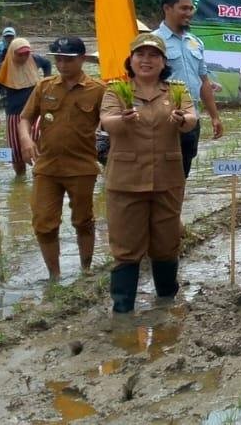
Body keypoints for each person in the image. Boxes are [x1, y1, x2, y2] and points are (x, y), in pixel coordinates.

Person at [100, 34, 198, 313]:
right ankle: (123, 309)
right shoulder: (117, 91)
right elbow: (106, 122)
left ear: (163, 62)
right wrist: (123, 119)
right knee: (126, 247)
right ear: (130, 60)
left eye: (153, 55)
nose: (146, 60)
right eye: (140, 55)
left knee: (166, 243)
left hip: (167, 178)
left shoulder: (176, 91)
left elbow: (191, 118)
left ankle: (167, 301)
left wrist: (183, 120)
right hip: (126, 181)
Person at [17, 36, 106, 280]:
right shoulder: (44, 87)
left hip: (82, 167)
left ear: (82, 59)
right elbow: (25, 118)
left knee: (83, 221)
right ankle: (54, 276)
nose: (63, 65)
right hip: (47, 167)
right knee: (43, 223)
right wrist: (26, 139)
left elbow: (110, 123)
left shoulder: (98, 90)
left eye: (68, 59)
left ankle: (86, 271)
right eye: (58, 59)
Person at [154, 0, 224, 178]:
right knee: (160, 174)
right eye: (184, 8)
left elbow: (203, 82)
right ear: (167, 9)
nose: (189, 13)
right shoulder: (152, 42)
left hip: (192, 119)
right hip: (164, 120)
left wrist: (214, 116)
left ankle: (176, 208)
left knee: (183, 173)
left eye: (191, 8)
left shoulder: (195, 42)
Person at [0, 37, 52, 176]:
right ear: (12, 53)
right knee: (16, 153)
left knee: (37, 143)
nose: (24, 57)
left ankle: (40, 177)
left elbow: (47, 64)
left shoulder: (35, 60)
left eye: (26, 54)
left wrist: (46, 81)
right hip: (14, 113)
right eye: (20, 54)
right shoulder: (1, 69)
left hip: (36, 112)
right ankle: (20, 180)